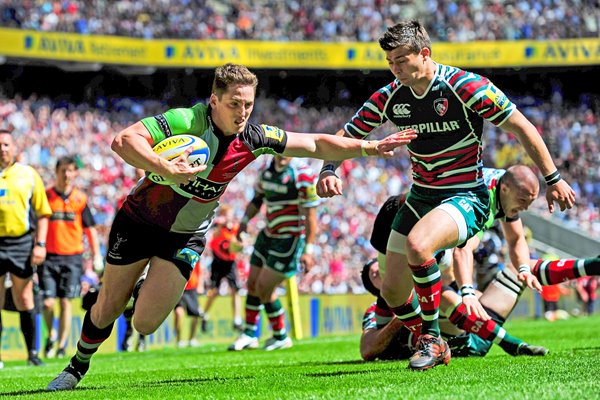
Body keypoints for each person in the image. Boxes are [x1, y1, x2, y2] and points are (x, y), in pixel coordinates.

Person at [47, 62, 416, 391]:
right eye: (234, 103)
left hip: (186, 236)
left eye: (248, 105)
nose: (242, 113)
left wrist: (369, 147)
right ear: (214, 100)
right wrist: (166, 167)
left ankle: (142, 289)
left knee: (144, 324)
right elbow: (123, 140)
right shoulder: (185, 121)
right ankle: (76, 366)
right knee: (107, 309)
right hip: (138, 222)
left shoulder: (254, 138)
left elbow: (315, 142)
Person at [317, 20, 575, 370]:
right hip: (420, 196)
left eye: (401, 61)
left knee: (419, 246)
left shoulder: (465, 86)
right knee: (393, 291)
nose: (395, 69)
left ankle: (433, 340)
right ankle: (435, 336)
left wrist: (553, 178)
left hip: (465, 194)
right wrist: (328, 170)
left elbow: (522, 127)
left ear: (424, 54)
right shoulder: (391, 95)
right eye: (390, 62)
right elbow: (347, 134)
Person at [359, 258, 549, 362]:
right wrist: (402, 315)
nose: (382, 272)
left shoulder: (419, 288)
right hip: (455, 343)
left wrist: (470, 296)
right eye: (375, 274)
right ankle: (511, 344)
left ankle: (580, 267)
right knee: (436, 291)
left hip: (478, 331)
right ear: (374, 287)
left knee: (522, 267)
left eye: (383, 266)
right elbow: (367, 350)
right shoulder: (375, 309)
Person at [229, 155, 319, 351]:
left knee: (264, 287)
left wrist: (308, 250)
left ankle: (280, 336)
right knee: (252, 283)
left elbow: (311, 215)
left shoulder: (302, 173)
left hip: (289, 239)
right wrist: (244, 223)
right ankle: (250, 334)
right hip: (268, 234)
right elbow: (257, 199)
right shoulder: (266, 168)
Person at [40, 156, 104, 359]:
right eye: (63, 170)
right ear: (56, 171)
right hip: (49, 257)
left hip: (73, 257)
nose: (67, 175)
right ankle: (50, 335)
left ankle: (61, 346)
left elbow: (90, 230)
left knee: (66, 302)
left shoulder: (80, 199)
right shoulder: (46, 196)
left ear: (75, 173)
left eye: (70, 171)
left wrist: (96, 256)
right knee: (48, 303)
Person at [0, 129, 52, 367]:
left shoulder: (28, 174)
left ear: (14, 147)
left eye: (6, 144)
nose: (2, 148)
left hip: (21, 242)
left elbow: (43, 213)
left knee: (24, 297)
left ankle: (32, 353)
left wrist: (40, 244)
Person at [202, 204, 243, 333]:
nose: (229, 217)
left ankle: (237, 319)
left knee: (235, 290)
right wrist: (222, 223)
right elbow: (215, 233)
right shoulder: (218, 226)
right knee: (214, 291)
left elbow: (239, 244)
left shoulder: (235, 228)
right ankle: (204, 313)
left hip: (230, 263)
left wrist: (238, 244)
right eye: (227, 214)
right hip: (218, 261)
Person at [174, 259, 204, 348]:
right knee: (178, 313)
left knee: (196, 314)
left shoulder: (193, 251)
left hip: (191, 288)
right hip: (179, 287)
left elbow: (199, 269)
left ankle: (192, 339)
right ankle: (179, 340)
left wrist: (200, 284)